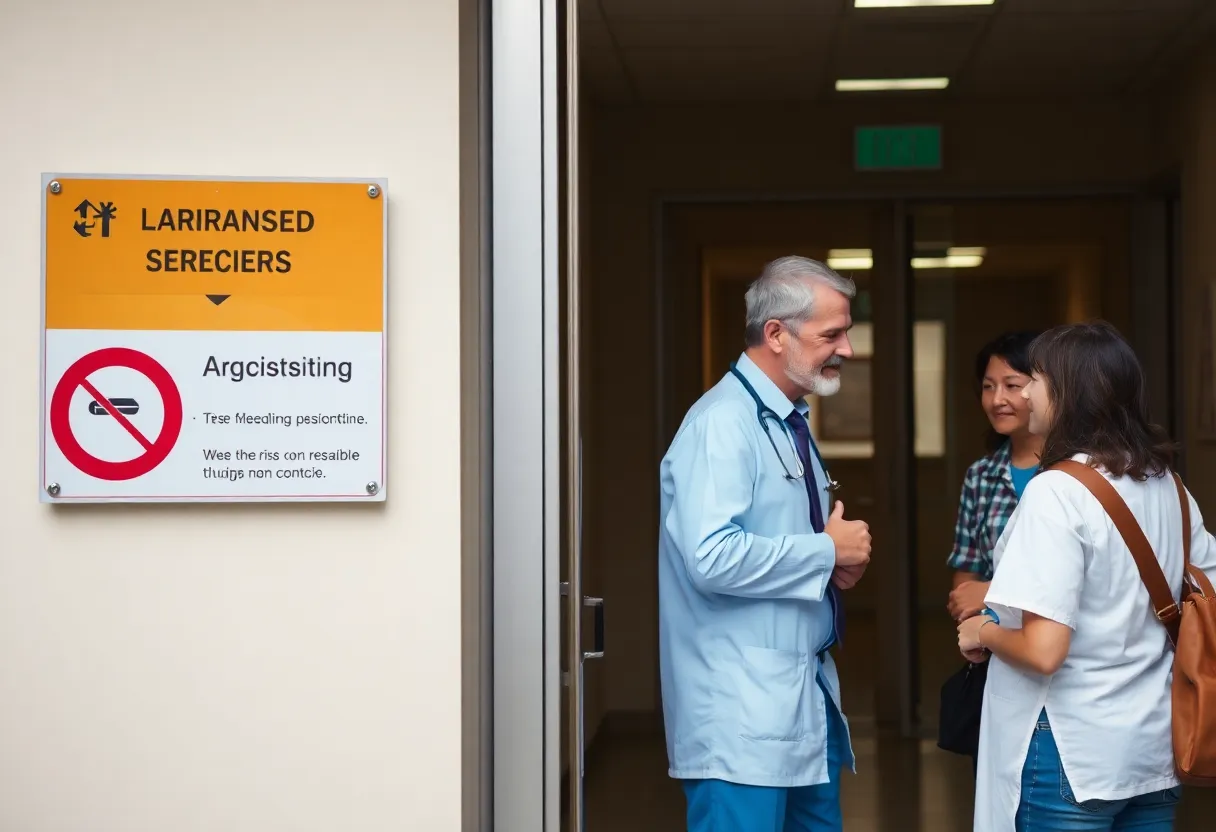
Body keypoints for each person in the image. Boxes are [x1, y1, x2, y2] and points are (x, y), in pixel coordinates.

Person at [956, 321, 1216, 832]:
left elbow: (1044, 649)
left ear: (1070, 392)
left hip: (1069, 751)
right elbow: (1205, 595)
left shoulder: (1056, 491)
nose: (1025, 391)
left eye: (1037, 380)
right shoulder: (1168, 485)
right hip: (1152, 748)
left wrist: (980, 630)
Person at [658, 255, 873, 832]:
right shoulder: (722, 424)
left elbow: (776, 544)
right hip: (739, 720)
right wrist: (826, 552)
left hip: (803, 703)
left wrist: (830, 566)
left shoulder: (787, 420)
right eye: (833, 334)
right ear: (776, 334)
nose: (847, 349)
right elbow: (711, 556)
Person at [946, 331, 1044, 625]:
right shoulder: (981, 476)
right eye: (989, 387)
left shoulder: (1076, 471)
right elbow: (967, 572)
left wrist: (991, 593)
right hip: (996, 646)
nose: (997, 399)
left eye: (1012, 385)